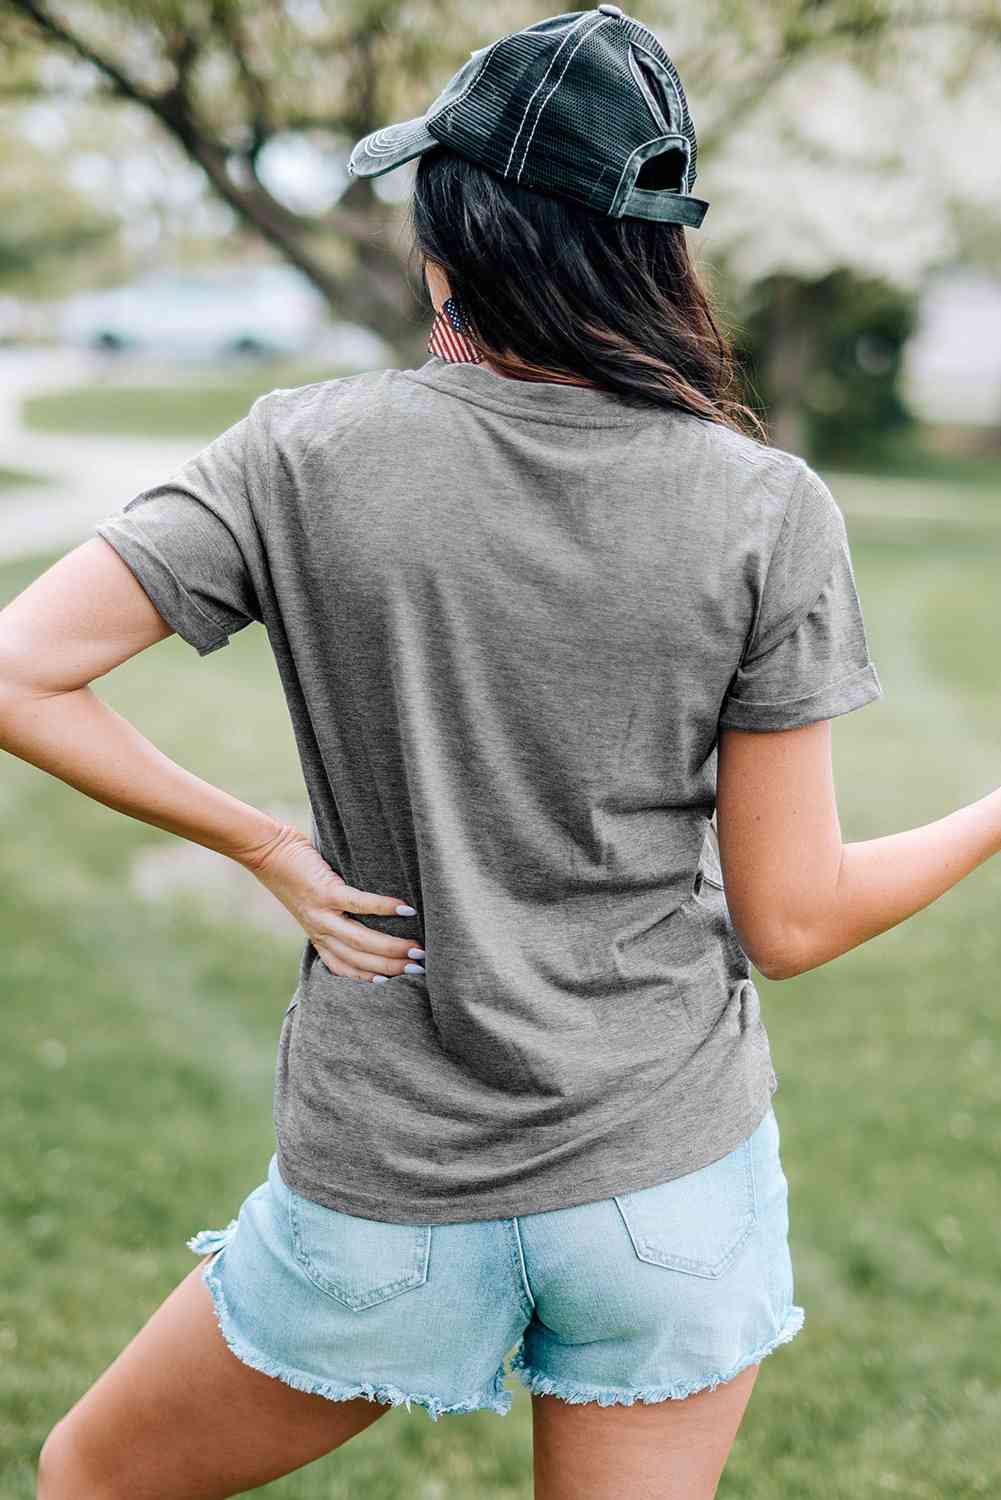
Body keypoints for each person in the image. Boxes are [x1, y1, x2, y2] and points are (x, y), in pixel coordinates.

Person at [3, 8, 998, 1500]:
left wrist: (264, 842)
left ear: (452, 229)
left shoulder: (300, 452)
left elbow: (23, 669)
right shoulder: (765, 506)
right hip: (667, 1188)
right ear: (655, 253)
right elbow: (792, 922)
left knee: (91, 1478)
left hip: (384, 1189)